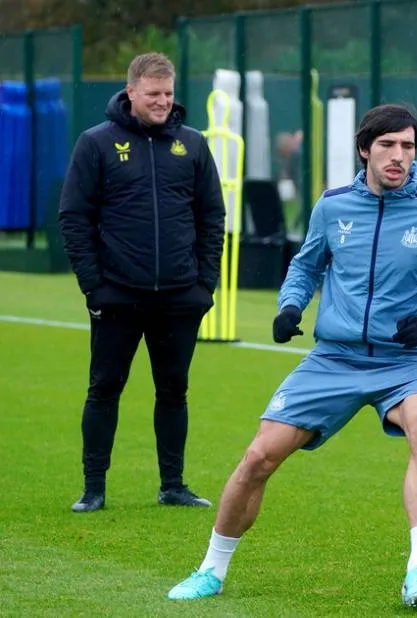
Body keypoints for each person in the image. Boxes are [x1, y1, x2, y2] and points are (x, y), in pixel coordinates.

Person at [166, 104, 417, 610]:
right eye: (387, 145)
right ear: (364, 150)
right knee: (259, 457)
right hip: (334, 358)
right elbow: (306, 267)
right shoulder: (332, 207)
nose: (399, 156)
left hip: (409, 361)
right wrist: (290, 306)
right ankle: (211, 570)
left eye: (407, 146)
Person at [58, 52, 225, 513]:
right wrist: (94, 285)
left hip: (180, 297)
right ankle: (93, 489)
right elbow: (74, 216)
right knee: (104, 389)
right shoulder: (96, 143)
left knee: (174, 391)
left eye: (168, 94)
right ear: (130, 91)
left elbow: (212, 216)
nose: (162, 102)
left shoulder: (192, 145)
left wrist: (204, 284)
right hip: (117, 295)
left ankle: (173, 485)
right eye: (153, 94)